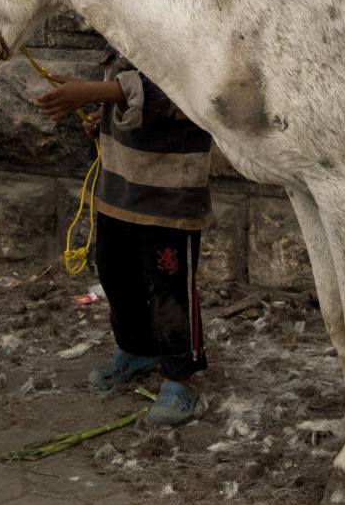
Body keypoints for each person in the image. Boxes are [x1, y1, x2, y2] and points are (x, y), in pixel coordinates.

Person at [34, 58, 212, 426]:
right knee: (113, 267)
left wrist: (93, 92)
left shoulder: (185, 34)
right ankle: (136, 348)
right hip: (119, 180)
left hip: (169, 188)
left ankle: (179, 375)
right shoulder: (120, 34)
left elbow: (177, 87)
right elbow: (127, 92)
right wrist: (104, 117)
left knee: (170, 286)